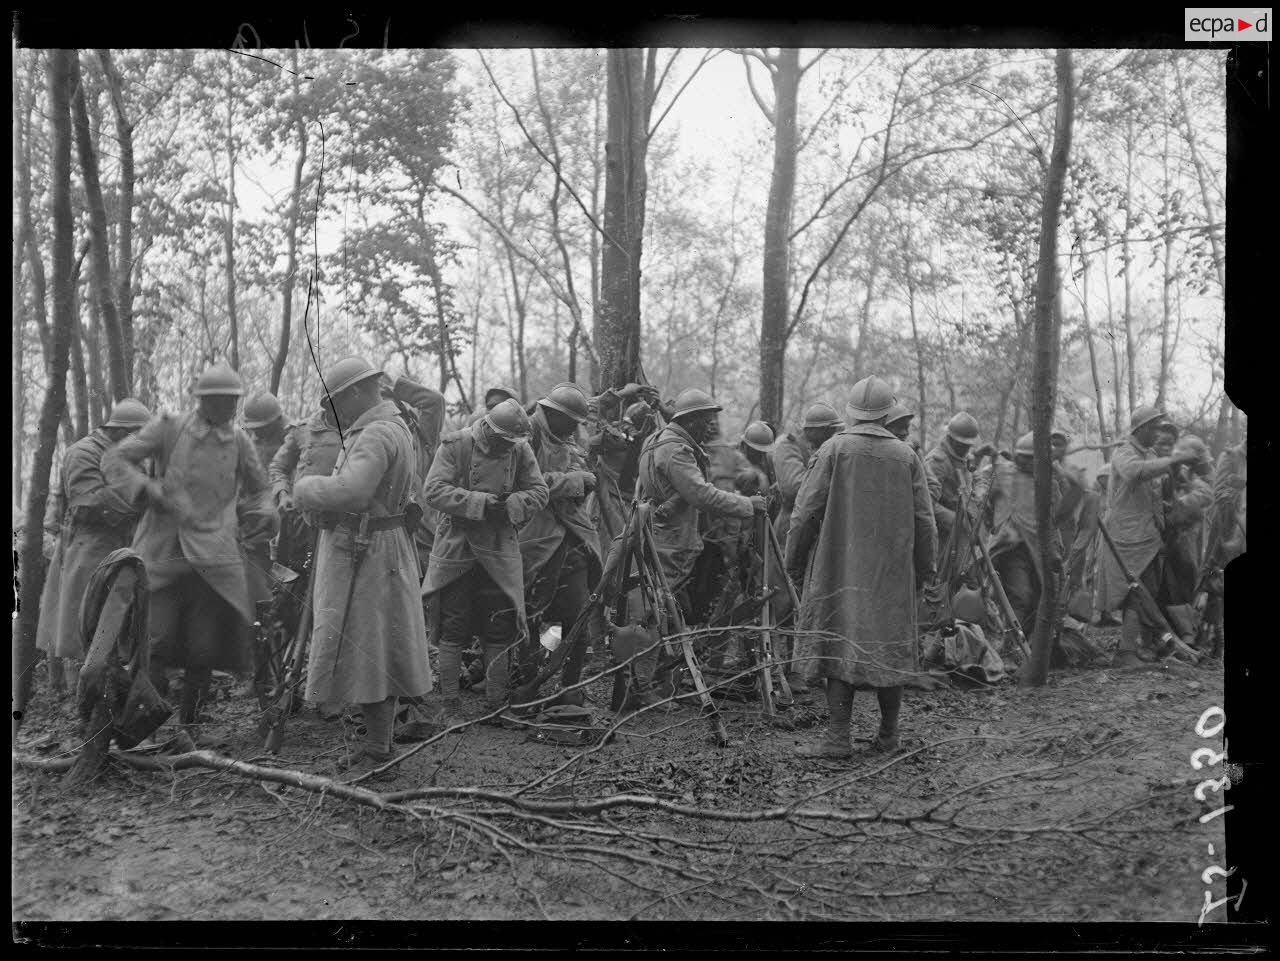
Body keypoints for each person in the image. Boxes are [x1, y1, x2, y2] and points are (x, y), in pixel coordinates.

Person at [103, 362, 276, 741]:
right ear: (203, 401)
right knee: (157, 645)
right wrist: (147, 489)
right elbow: (115, 460)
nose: (229, 409)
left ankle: (190, 730)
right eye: (221, 401)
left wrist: (264, 512)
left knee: (203, 650)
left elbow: (261, 488)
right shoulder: (169, 428)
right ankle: (140, 727)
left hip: (213, 561)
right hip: (164, 555)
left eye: (233, 402)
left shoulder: (240, 442)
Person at [291, 358, 433, 773]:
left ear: (355, 392)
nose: (331, 412)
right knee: (377, 645)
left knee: (370, 645)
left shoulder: (374, 434)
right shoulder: (393, 426)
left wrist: (305, 489)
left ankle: (377, 744)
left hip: (366, 549)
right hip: (378, 545)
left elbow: (352, 491)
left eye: (335, 401)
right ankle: (378, 739)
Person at [786, 376, 937, 758]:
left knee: (837, 641)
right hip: (891, 573)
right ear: (888, 413)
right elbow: (925, 521)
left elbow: (804, 512)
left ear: (852, 412)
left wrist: (792, 561)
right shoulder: (907, 456)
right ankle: (888, 735)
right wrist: (926, 568)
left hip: (839, 568)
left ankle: (838, 737)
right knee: (890, 645)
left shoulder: (834, 450)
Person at [422, 398, 549, 724]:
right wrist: (478, 503)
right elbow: (433, 490)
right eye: (501, 440)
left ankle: (496, 706)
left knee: (500, 628)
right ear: (488, 430)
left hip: (499, 549)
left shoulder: (520, 450)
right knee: (453, 627)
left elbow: (539, 491)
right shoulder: (457, 444)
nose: (505, 446)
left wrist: (509, 504)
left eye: (511, 442)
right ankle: (449, 705)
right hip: (458, 548)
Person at [36, 398, 151, 692]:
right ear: (122, 432)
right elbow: (90, 501)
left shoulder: (128, 456)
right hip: (88, 547)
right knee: (82, 622)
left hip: (122, 546)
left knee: (116, 623)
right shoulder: (82, 453)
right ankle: (81, 694)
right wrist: (140, 505)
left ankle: (108, 689)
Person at [1096, 406, 1202, 668]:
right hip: (1126, 537)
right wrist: (1173, 462)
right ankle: (1126, 651)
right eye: (1155, 427)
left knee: (1148, 592)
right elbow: (1136, 472)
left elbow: (1157, 495)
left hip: (1149, 536)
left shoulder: (1151, 454)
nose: (1158, 432)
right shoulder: (1124, 453)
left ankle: (1142, 647)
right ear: (1142, 429)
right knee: (1135, 592)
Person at [519, 383, 603, 695]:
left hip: (572, 543)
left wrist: (582, 482)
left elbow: (574, 469)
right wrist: (572, 481)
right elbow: (523, 485)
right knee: (529, 621)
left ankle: (570, 687)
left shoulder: (565, 438)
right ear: (553, 415)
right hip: (534, 544)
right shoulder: (525, 435)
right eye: (569, 422)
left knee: (574, 620)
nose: (572, 430)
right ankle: (526, 684)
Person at [771, 402, 841, 695]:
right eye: (827, 432)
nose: (830, 437)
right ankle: (781, 669)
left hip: (818, 528)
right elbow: (793, 488)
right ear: (813, 431)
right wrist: (827, 484)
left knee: (813, 600)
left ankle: (807, 667)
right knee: (784, 600)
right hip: (792, 527)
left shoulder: (822, 450)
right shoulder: (787, 447)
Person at [984, 432, 1064, 639]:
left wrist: (1057, 548)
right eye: (1022, 456)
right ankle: (1011, 646)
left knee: (1040, 599)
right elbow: (984, 497)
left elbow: (1054, 519)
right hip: (1011, 549)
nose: (1025, 462)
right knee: (1020, 596)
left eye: (1031, 458)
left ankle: (1029, 645)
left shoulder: (1049, 484)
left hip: (1038, 551)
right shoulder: (1002, 474)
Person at [241, 392, 288, 612]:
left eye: (263, 430)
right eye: (253, 430)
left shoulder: (292, 439)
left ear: (277, 422)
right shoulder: (247, 442)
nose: (257, 436)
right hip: (256, 528)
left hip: (287, 521)